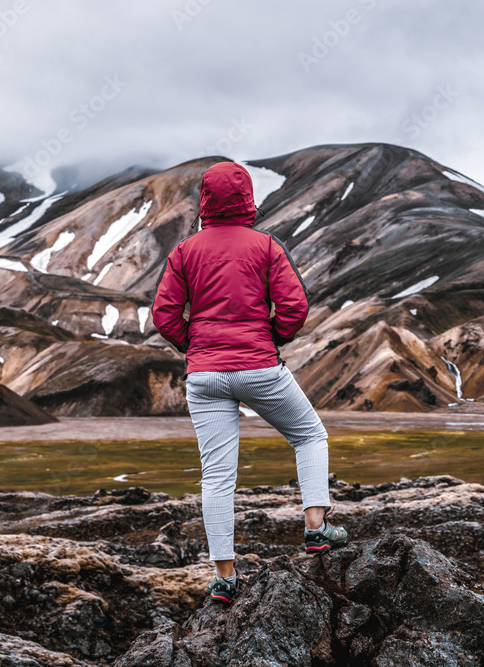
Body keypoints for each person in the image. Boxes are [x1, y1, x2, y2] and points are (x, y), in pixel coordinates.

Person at [152, 161, 348, 605]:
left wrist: (196, 347)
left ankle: (224, 577)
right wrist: (268, 338)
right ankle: (316, 529)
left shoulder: (184, 251)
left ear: (204, 199)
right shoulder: (266, 246)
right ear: (247, 198)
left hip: (204, 376)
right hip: (260, 366)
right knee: (309, 435)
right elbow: (295, 306)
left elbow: (164, 315)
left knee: (216, 476)